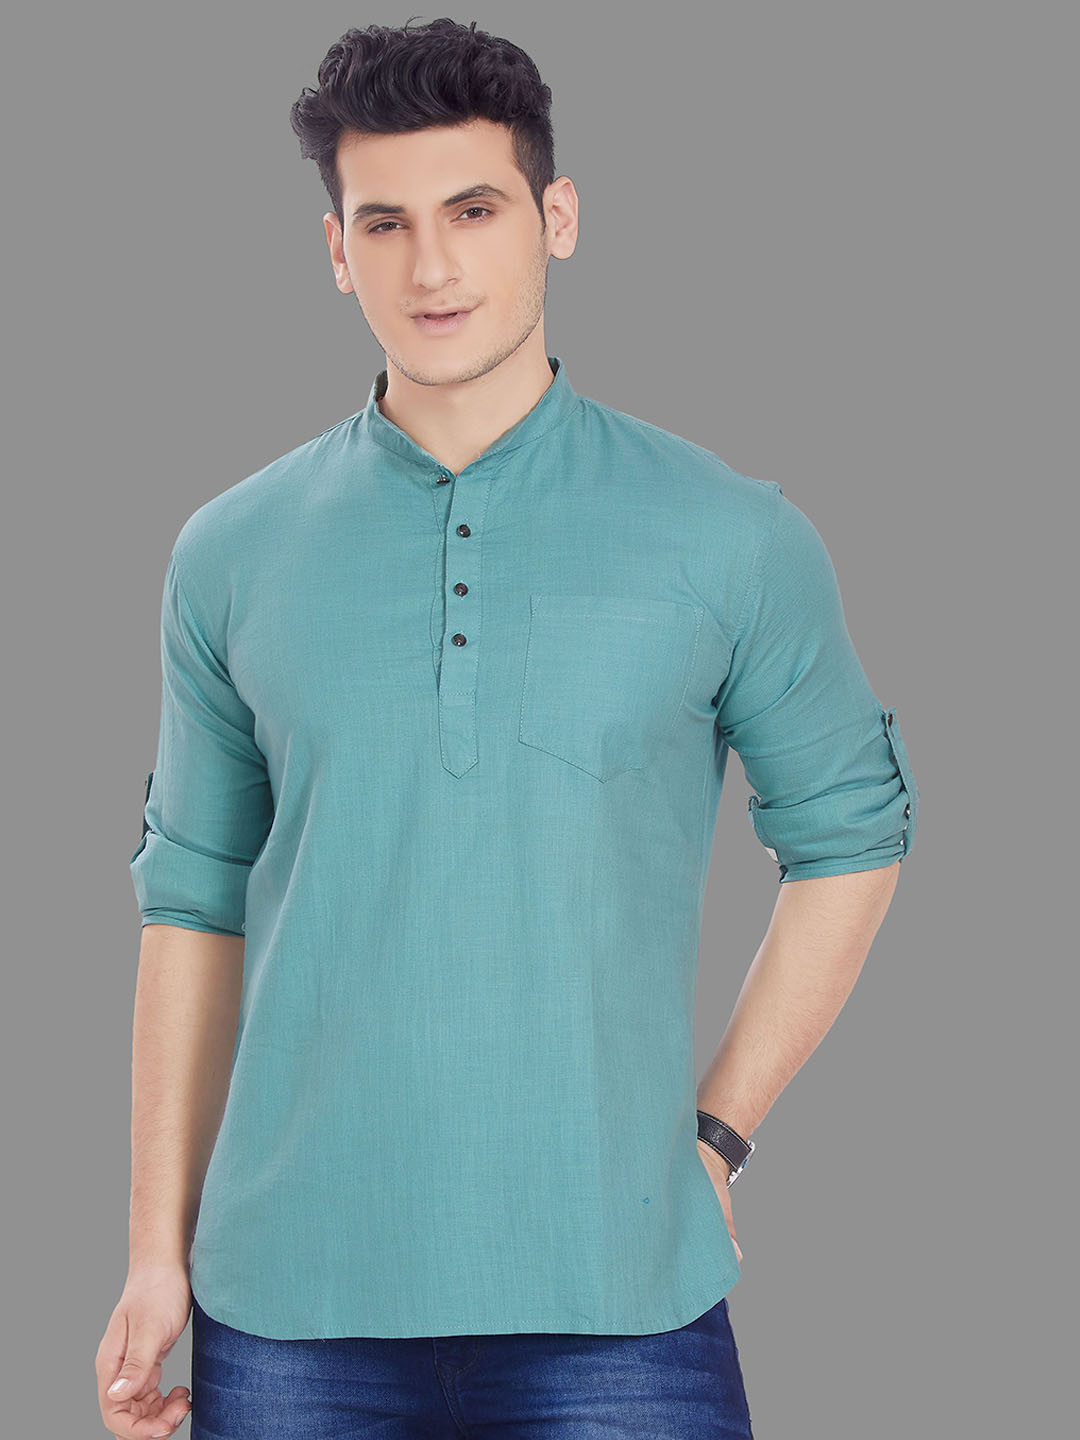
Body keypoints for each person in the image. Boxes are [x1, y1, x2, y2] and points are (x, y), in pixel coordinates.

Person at [95, 17, 919, 1440]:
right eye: (386, 223)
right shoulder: (231, 552)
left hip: (622, 1300)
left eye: (473, 211)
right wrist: (153, 1256)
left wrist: (719, 1133)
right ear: (336, 250)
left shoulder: (728, 534)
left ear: (558, 217)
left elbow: (852, 837)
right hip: (290, 1305)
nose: (432, 267)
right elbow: (191, 906)